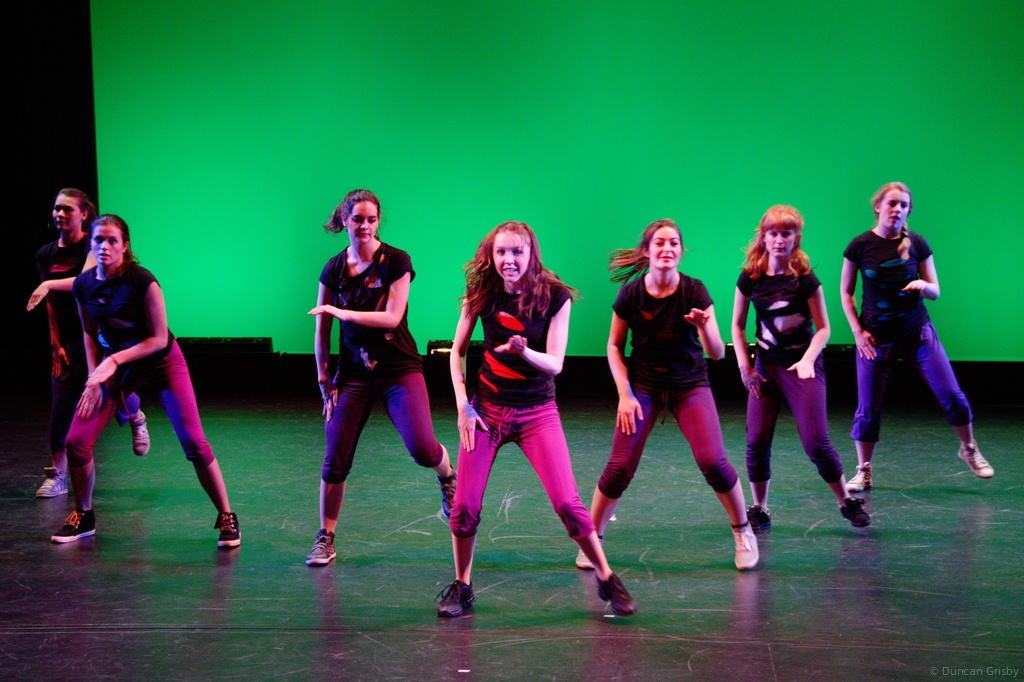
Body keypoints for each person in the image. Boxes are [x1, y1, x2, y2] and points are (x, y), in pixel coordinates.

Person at [438, 221, 637, 618]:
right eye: (501, 252)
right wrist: (463, 405)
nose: (509, 260)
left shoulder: (554, 295)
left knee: (567, 502)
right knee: (464, 507)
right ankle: (462, 584)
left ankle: (606, 575)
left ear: (531, 254)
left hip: (536, 412)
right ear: (491, 255)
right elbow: (457, 351)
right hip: (487, 412)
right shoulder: (482, 292)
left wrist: (524, 351)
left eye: (517, 251)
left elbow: (556, 364)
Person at [577, 219, 758, 573]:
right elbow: (613, 346)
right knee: (619, 467)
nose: (667, 248)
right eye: (659, 242)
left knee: (713, 462)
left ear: (680, 251)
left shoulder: (694, 291)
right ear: (647, 250)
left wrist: (704, 327)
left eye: (674, 243)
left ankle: (742, 530)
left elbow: (716, 353)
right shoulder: (632, 294)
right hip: (643, 386)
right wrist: (624, 394)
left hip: (689, 384)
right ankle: (592, 538)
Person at [50, 215, 239, 547]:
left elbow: (158, 338)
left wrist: (113, 360)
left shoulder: (142, 280)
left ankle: (226, 514)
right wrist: (93, 380)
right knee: (76, 441)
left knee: (194, 443)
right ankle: (84, 515)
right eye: (98, 240)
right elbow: (89, 332)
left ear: (125, 246)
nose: (104, 246)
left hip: (162, 363)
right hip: (116, 367)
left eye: (112, 240)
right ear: (90, 244)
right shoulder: (83, 285)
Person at [306, 189, 456, 567]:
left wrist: (343, 313)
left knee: (422, 449)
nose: (365, 226)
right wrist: (324, 379)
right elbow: (322, 331)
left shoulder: (396, 261)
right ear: (344, 221)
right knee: (335, 458)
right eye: (357, 219)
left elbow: (391, 316)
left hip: (399, 369)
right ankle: (325, 537)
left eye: (371, 219)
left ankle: (447, 475)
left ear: (378, 222)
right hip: (353, 375)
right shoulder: (333, 269)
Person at [840, 182, 992, 491]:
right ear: (878, 207)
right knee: (867, 409)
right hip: (875, 338)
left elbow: (935, 291)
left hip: (917, 333)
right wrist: (858, 332)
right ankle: (864, 470)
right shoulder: (860, 245)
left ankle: (969, 448)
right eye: (892, 203)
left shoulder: (918, 243)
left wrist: (924, 286)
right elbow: (846, 292)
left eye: (904, 205)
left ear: (908, 211)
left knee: (952, 395)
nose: (897, 209)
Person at [731, 205, 870, 532]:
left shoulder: (805, 279)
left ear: (796, 238)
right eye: (773, 233)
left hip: (802, 367)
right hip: (766, 367)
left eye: (786, 234)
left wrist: (808, 359)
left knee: (816, 442)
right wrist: (744, 366)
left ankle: (845, 501)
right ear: (763, 237)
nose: (779, 240)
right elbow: (737, 325)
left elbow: (824, 329)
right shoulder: (750, 277)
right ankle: (760, 507)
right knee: (756, 440)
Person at [27, 189, 149, 500]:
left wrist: (48, 283)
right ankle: (58, 475)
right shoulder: (45, 254)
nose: (60, 214)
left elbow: (85, 283)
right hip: (70, 336)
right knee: (61, 405)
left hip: (98, 331)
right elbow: (50, 302)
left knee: (113, 389)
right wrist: (55, 343)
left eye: (67, 209)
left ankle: (135, 415)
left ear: (84, 214)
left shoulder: (94, 243)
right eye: (57, 208)